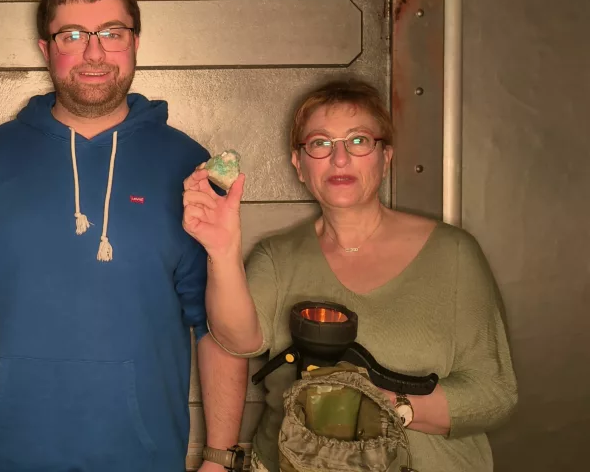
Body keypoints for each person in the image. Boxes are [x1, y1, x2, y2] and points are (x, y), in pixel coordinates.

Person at [0, 0, 249, 472]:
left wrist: (220, 458)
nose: (94, 53)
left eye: (112, 33)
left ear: (135, 42)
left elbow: (215, 325)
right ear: (46, 49)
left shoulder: (187, 166)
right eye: (72, 35)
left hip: (140, 460)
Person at [181, 79, 518, 471]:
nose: (339, 159)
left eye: (359, 141)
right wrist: (221, 250)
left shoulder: (453, 254)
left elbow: (495, 393)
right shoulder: (277, 257)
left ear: (386, 157)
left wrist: (386, 408)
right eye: (320, 143)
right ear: (299, 165)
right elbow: (237, 341)